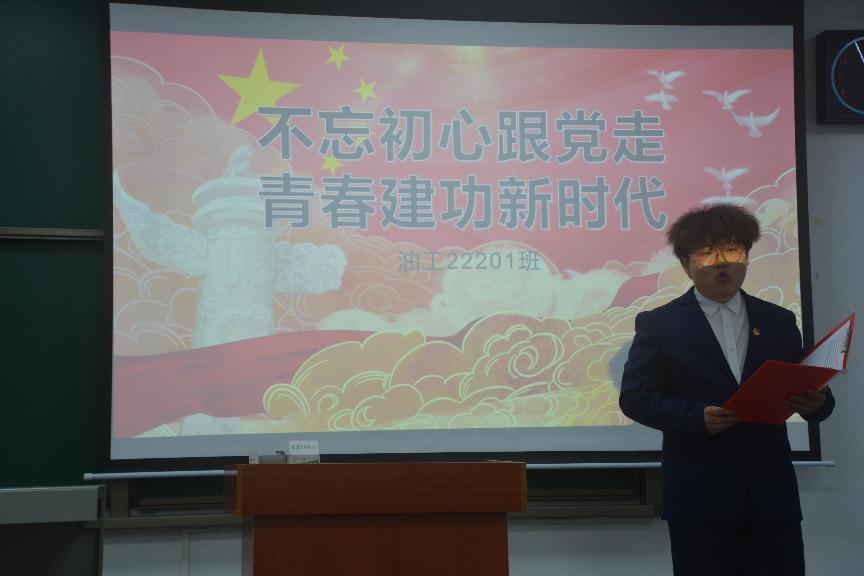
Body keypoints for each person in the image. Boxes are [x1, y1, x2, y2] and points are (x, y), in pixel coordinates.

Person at [619, 204, 834, 576]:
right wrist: (694, 417)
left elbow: (812, 391)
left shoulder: (779, 321)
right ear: (686, 265)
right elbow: (634, 398)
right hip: (699, 499)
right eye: (707, 254)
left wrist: (816, 402)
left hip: (772, 499)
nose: (722, 264)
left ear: (747, 257)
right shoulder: (660, 325)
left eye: (733, 251)